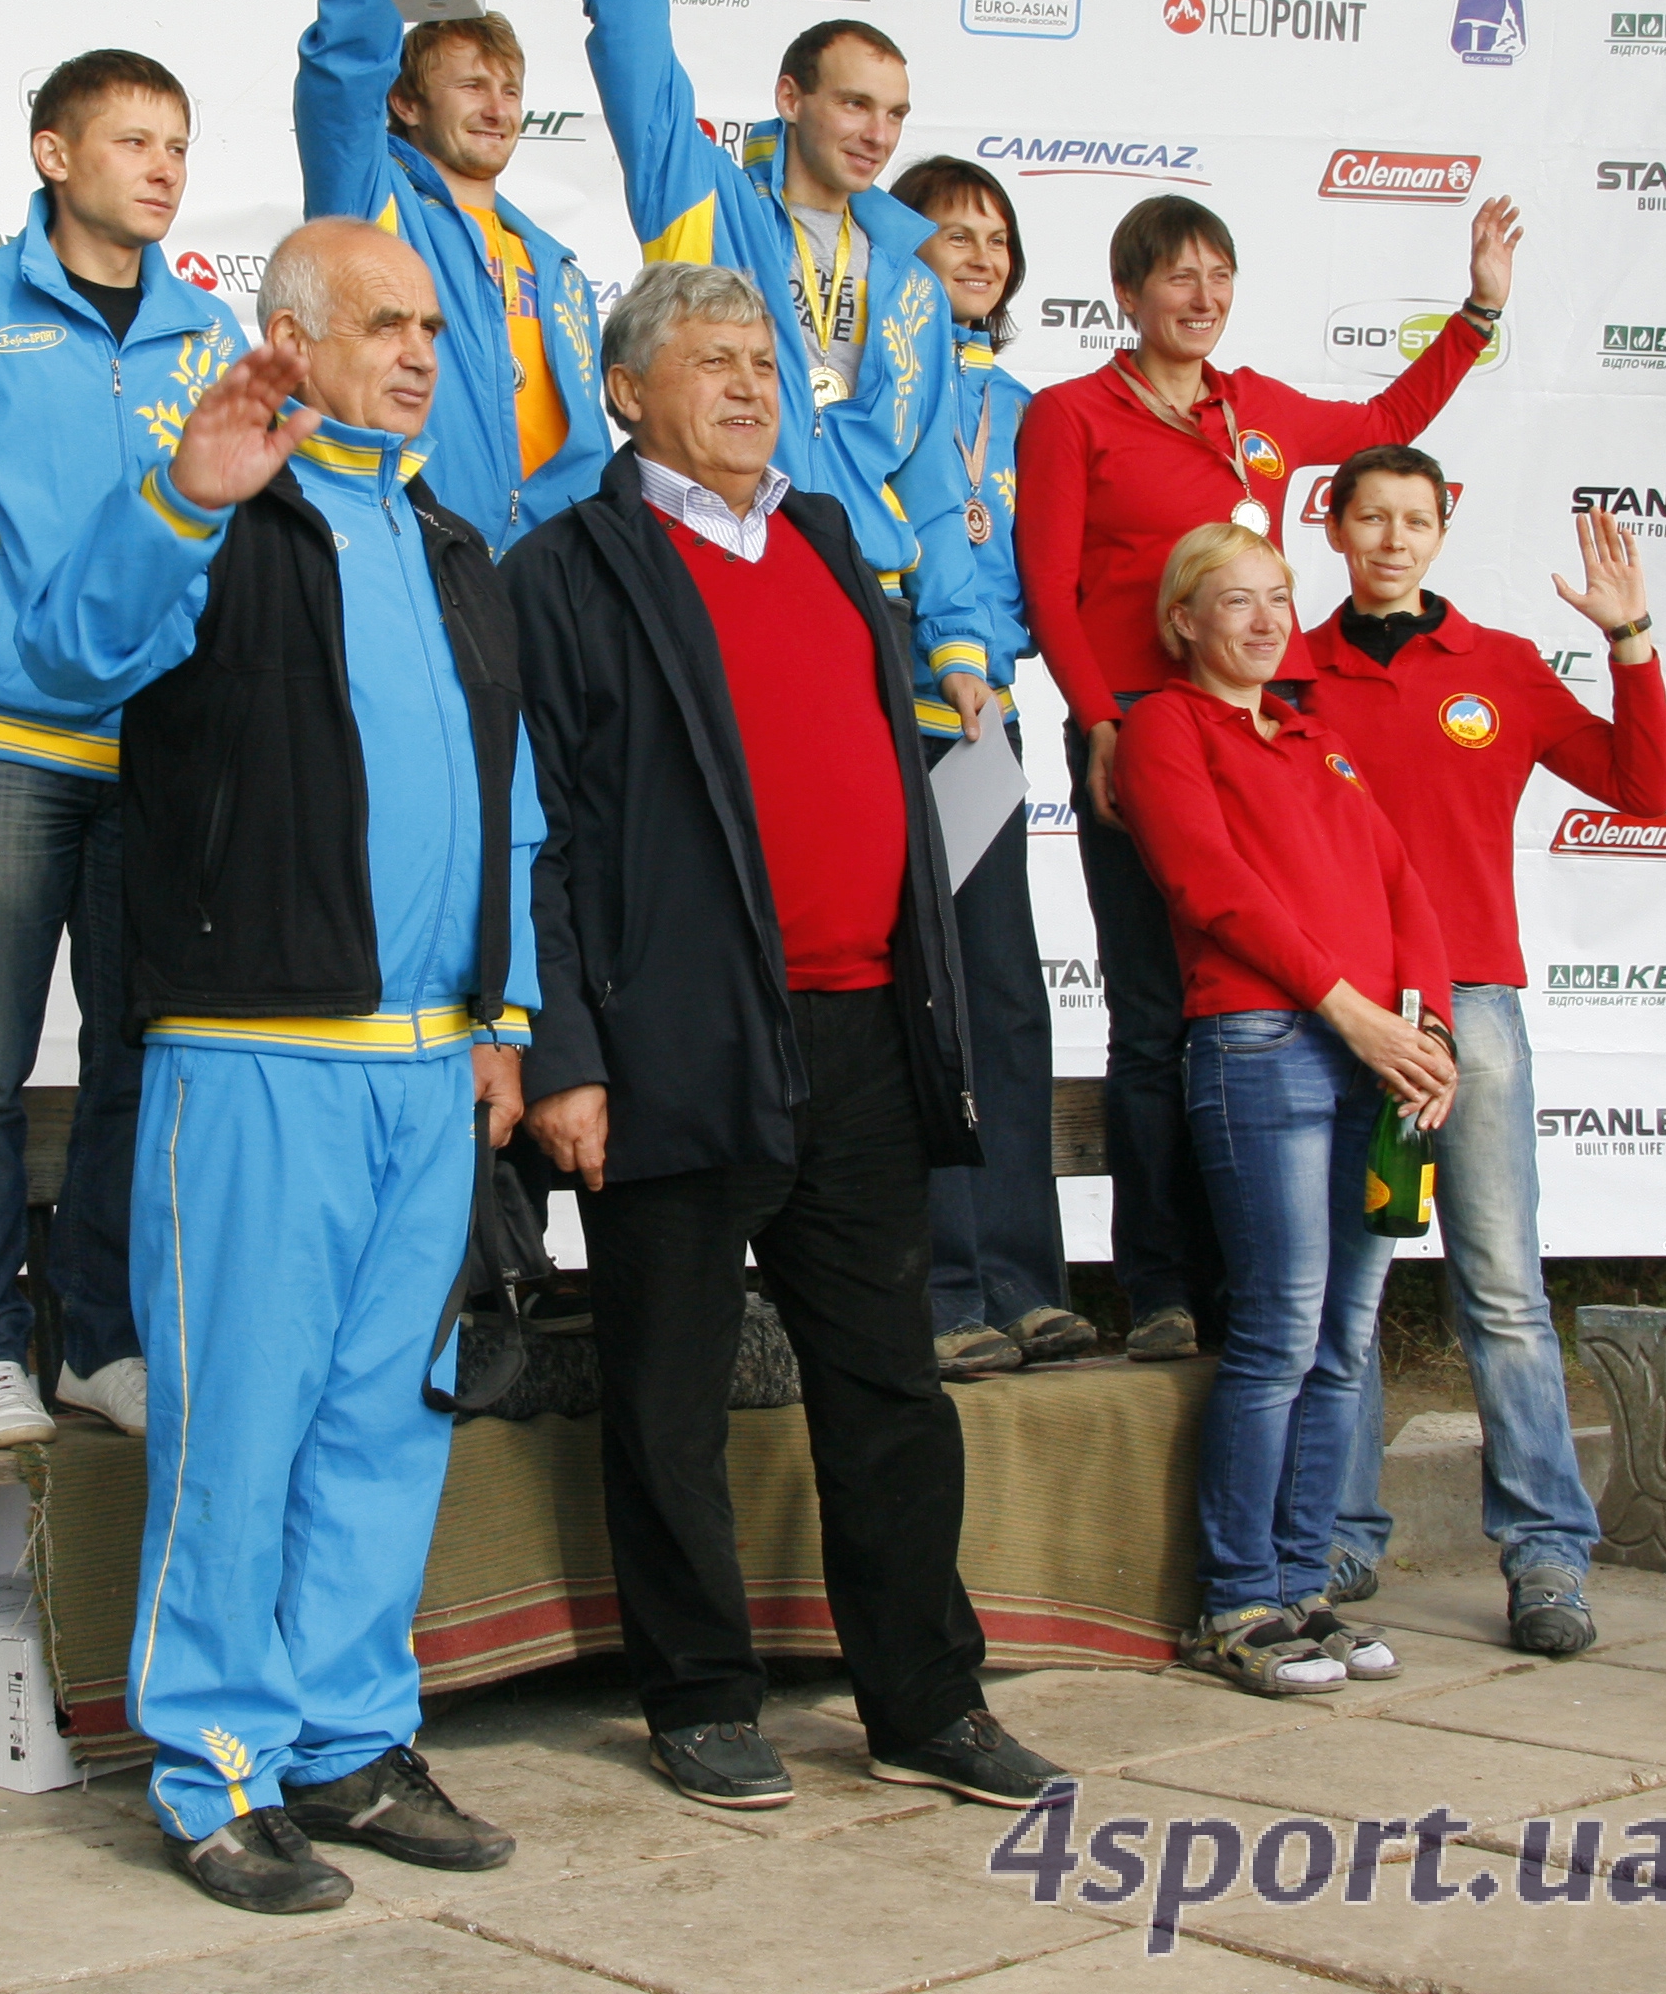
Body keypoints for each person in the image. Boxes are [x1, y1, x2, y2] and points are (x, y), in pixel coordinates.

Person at [504, 260, 1069, 1817]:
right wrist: (565, 1053)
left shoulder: (829, 541)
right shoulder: (565, 569)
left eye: (764, 360)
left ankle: (926, 1704)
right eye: (712, 361)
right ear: (627, 394)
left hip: (867, 1040)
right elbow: (530, 832)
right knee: (669, 1395)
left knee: (888, 1390)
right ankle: (699, 1698)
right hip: (675, 1046)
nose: (752, 386)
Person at [19, 218, 536, 1918]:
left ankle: (349, 1736)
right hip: (255, 1059)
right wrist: (185, 494)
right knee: (239, 1425)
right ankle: (214, 1768)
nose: (414, 349)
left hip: (427, 1069)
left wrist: (503, 1018)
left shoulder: (457, 540)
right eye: (380, 321)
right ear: (289, 339)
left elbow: (509, 812)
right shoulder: (215, 512)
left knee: (387, 1421)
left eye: (431, 327)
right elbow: (70, 651)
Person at [1015, 189, 1519, 1362]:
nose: (1201, 300)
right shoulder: (1071, 414)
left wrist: (1477, 313)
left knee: (1278, 998)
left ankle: (1256, 1283)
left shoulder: (1255, 411)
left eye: (1218, 278)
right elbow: (1046, 586)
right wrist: (1097, 723)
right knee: (1152, 1013)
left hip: (1270, 727)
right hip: (1142, 730)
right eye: (1176, 279)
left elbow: (1386, 413)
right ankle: (1157, 1289)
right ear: (1126, 294)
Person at [0, 51, 245, 1452]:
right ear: (51, 155)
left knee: (143, 1055)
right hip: (3, 744)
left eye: (179, 145)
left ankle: (98, 1335)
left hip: (164, 758)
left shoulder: (213, 334)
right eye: (132, 139)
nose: (160, 165)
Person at [1307, 452, 1666, 1657]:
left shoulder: (1502, 669)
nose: (1392, 539)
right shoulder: (1289, 673)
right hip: (1343, 1012)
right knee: (1342, 1302)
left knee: (1503, 1294)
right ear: (1334, 526)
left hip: (1471, 1006)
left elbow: (1635, 785)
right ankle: (1339, 1535)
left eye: (1414, 519)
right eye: (1370, 518)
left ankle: (1545, 1554)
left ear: (1442, 527)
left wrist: (1628, 642)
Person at [577, 0, 991, 745]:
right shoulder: (703, 205)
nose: (875, 133)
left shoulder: (907, 273)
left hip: (874, 617)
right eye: (854, 103)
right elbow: (625, 21)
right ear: (791, 96)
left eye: (893, 114)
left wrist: (958, 643)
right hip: (723, 585)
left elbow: (931, 483)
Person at [1113, 523, 1455, 1697]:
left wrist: (1432, 1036)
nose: (1261, 620)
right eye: (1231, 601)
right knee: (1275, 1331)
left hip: (1371, 1056)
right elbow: (1208, 884)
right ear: (1184, 622)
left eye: (1276, 597)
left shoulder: (1315, 736)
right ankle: (1237, 1600)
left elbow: (1403, 883)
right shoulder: (1165, 725)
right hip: (1263, 1046)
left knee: (1341, 1341)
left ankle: (1305, 1581)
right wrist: (1349, 1011)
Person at [888, 156, 1092, 1382]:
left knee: (1006, 1000)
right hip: (885, 722)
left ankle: (1025, 1280)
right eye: (949, 231)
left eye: (994, 237)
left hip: (982, 733)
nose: (975, 253)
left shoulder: (1030, 409)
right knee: (927, 1004)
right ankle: (943, 1286)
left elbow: (1043, 570)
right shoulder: (863, 386)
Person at [295, 0, 610, 550]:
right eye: (471, 86)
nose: (498, 108)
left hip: (554, 576)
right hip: (423, 547)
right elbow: (341, 71)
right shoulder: (377, 209)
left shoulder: (557, 266)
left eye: (510, 90)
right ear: (404, 101)